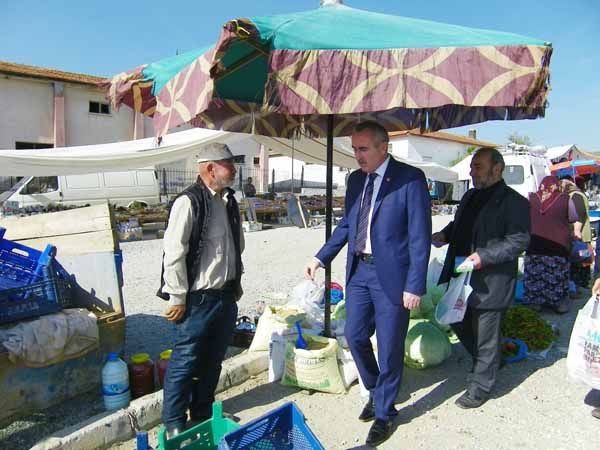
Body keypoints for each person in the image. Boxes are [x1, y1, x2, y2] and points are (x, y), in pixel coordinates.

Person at [304, 121, 431, 447]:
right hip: (359, 270)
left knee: (389, 347)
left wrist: (415, 285)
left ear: (382, 147)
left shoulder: (410, 179)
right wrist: (321, 257)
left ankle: (386, 413)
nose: (357, 155)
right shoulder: (356, 180)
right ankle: (377, 391)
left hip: (393, 276)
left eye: (363, 149)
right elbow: (348, 225)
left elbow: (419, 237)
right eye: (354, 148)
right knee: (355, 334)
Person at [432, 147, 530, 409]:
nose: (471, 171)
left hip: (491, 280)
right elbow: (460, 225)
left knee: (486, 334)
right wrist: (445, 234)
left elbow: (518, 240)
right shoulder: (470, 196)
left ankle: (480, 387)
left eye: (477, 166)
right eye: (473, 166)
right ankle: (489, 361)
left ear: (496, 168)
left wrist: (483, 256)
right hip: (461, 273)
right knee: (457, 321)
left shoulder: (514, 201)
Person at [157, 143, 244, 437]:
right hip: (197, 299)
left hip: (224, 295)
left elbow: (234, 247)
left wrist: (236, 282)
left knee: (213, 360)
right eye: (229, 164)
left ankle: (203, 412)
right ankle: (173, 423)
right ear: (210, 168)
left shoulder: (229, 201)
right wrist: (178, 296)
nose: (234, 170)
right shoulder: (189, 201)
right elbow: (174, 253)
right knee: (185, 360)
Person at [522, 176, 575, 313]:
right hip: (558, 245)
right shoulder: (565, 199)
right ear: (556, 185)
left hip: (535, 244)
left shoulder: (530, 198)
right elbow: (574, 218)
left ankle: (535, 303)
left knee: (535, 274)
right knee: (557, 275)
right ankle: (558, 304)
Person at [561, 177, 592, 292]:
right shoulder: (578, 194)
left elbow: (579, 214)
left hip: (580, 236)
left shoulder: (575, 196)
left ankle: (580, 285)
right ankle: (582, 284)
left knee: (580, 260)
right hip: (582, 235)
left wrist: (576, 231)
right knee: (583, 259)